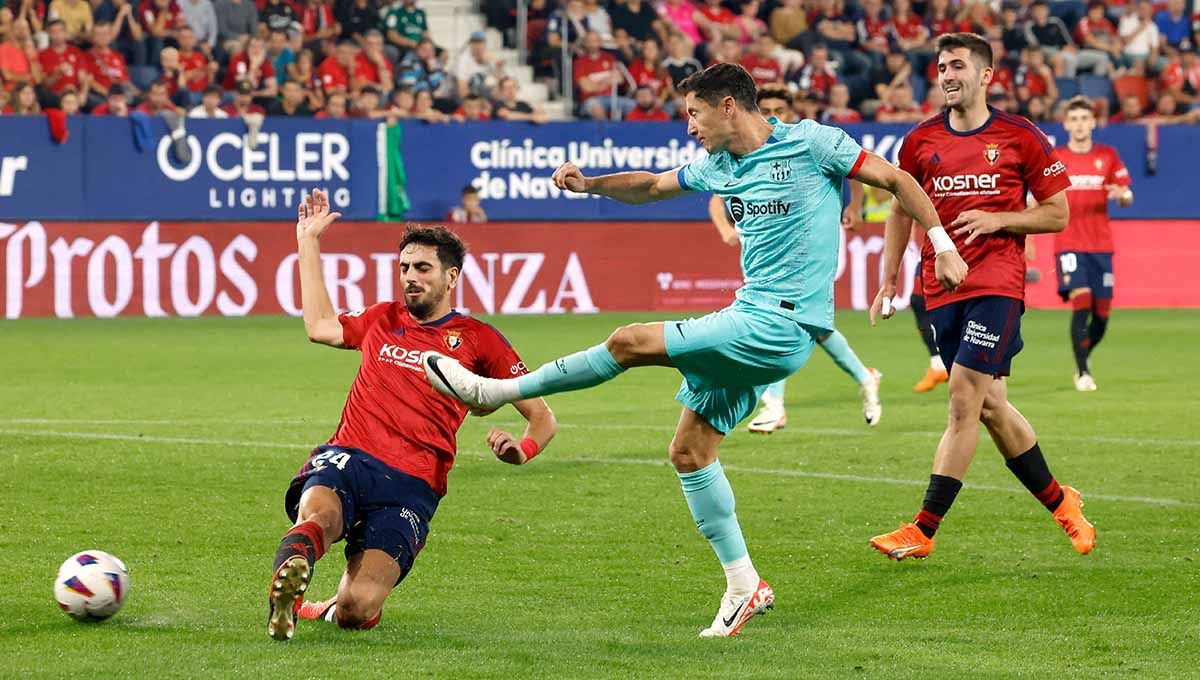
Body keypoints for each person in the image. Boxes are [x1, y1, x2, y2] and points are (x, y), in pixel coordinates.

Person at [418, 63, 963, 637]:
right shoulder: (720, 166)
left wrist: (941, 246)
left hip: (781, 325)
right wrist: (591, 185)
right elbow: (653, 185)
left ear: (728, 105)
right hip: (749, 319)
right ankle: (744, 585)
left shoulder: (812, 143)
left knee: (628, 341)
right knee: (689, 452)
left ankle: (494, 390)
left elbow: (899, 181)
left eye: (694, 114)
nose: (689, 128)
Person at [267, 190, 556, 641]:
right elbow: (319, 327)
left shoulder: (479, 340)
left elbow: (542, 417)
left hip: (413, 485)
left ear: (451, 276)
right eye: (404, 268)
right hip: (352, 458)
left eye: (422, 268)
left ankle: (327, 606)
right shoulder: (384, 318)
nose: (410, 277)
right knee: (319, 516)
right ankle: (291, 574)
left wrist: (523, 450)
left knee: (356, 610)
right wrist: (308, 240)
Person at [867, 33, 1095, 562]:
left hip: (997, 282)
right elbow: (901, 209)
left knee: (963, 400)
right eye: (941, 67)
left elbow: (1057, 212)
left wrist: (1000, 218)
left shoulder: (1021, 136)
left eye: (958, 66)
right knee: (992, 406)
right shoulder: (920, 141)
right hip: (941, 289)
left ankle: (923, 528)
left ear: (987, 75)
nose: (947, 75)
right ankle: (1064, 504)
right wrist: (889, 279)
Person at [708, 84, 881, 433]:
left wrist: (854, 205)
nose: (773, 115)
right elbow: (716, 197)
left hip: (806, 253)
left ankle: (774, 405)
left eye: (780, 110)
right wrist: (725, 228)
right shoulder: (747, 151)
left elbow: (857, 169)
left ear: (792, 112)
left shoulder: (807, 144)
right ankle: (865, 376)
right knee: (813, 327)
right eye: (766, 108)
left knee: (781, 314)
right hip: (768, 256)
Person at [1054, 96, 1133, 392]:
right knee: (1082, 301)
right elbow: (1039, 195)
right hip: (1069, 243)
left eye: (1084, 119)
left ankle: (1081, 358)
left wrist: (1122, 196)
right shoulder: (1056, 159)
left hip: (1101, 244)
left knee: (1101, 317)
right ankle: (1084, 372)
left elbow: (1127, 195)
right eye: (1074, 119)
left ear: (1094, 123)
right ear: (1066, 124)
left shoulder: (1108, 156)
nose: (1079, 125)